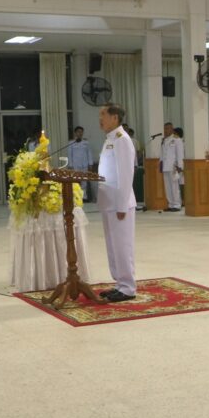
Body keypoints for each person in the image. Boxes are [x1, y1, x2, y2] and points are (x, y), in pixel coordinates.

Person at [96, 104, 137, 302]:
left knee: (122, 246)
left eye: (103, 114)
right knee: (113, 247)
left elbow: (126, 174)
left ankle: (128, 288)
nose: (100, 119)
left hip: (120, 204)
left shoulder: (122, 140)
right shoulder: (109, 139)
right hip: (108, 201)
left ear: (114, 118)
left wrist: (122, 205)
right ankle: (120, 284)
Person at [159, 122, 183, 211]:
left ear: (172, 129)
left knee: (174, 186)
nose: (165, 130)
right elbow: (162, 154)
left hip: (173, 166)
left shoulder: (177, 139)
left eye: (168, 128)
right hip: (165, 166)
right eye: (165, 129)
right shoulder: (164, 140)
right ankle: (171, 204)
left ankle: (177, 205)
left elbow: (180, 154)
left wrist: (180, 166)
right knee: (167, 187)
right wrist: (161, 164)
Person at [66, 126, 93, 201]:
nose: (80, 133)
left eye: (81, 132)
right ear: (75, 133)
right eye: (78, 132)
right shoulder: (71, 143)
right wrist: (70, 165)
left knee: (84, 181)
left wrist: (90, 164)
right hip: (75, 165)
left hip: (84, 164)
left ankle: (84, 197)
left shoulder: (86, 143)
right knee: (76, 181)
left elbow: (89, 153)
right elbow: (69, 155)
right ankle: (76, 197)